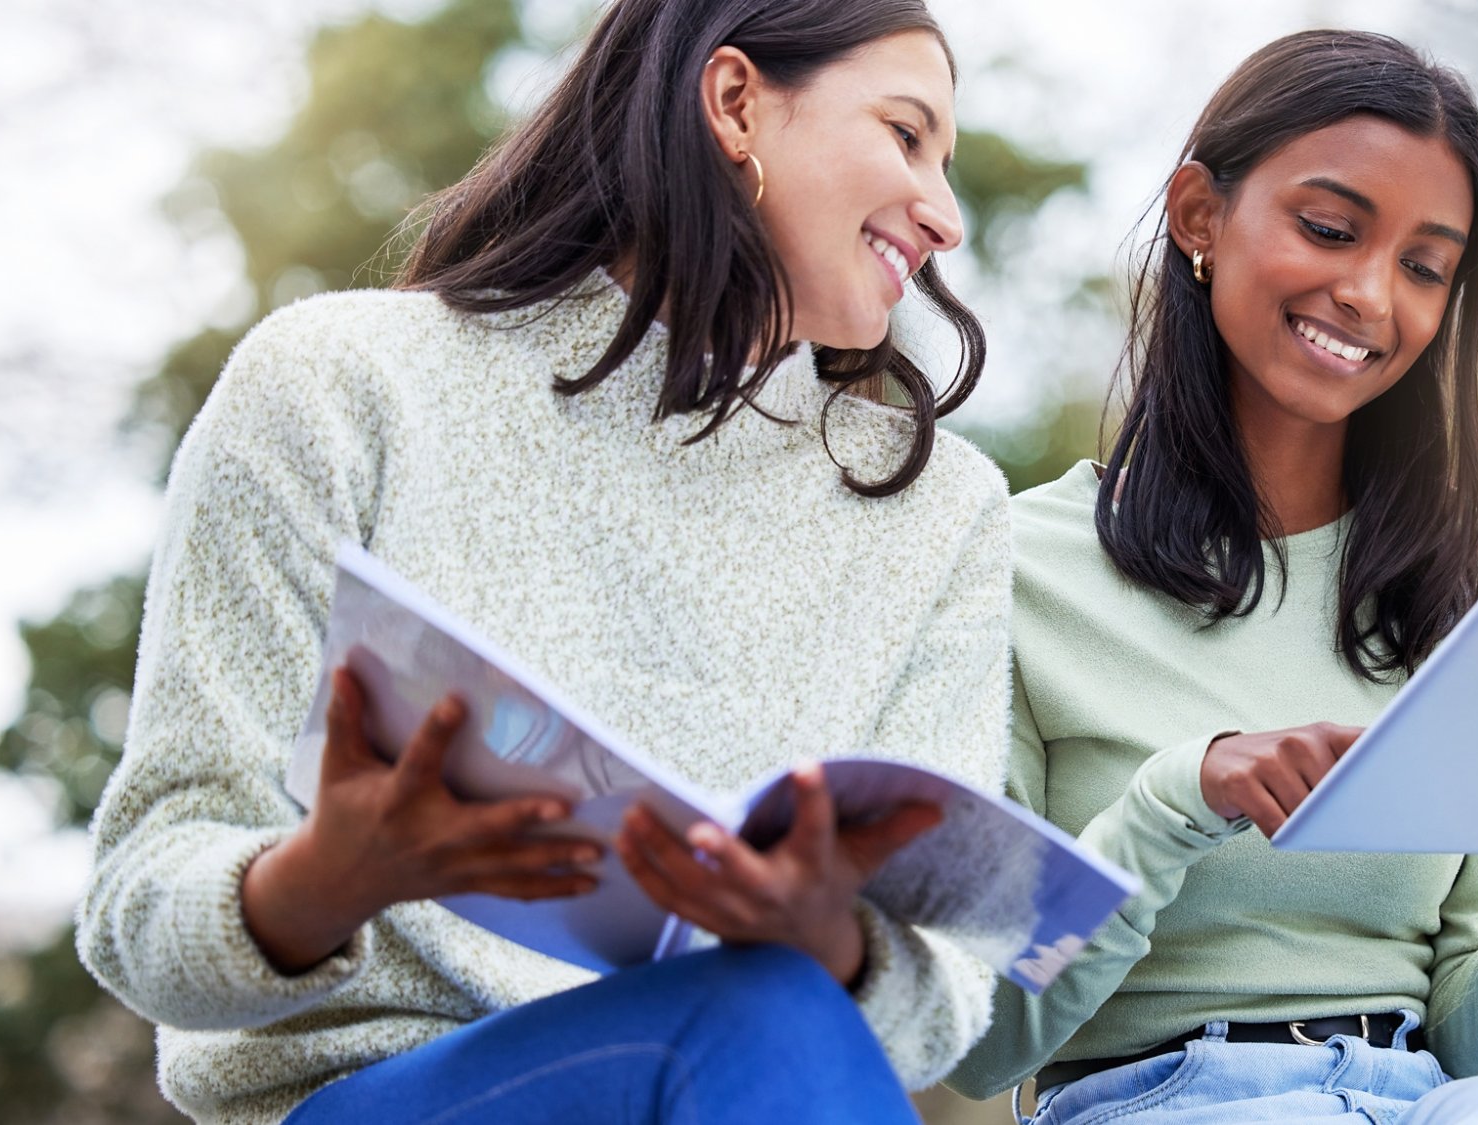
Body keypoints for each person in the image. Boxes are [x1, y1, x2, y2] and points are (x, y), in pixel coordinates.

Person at [75, 1, 1013, 1121]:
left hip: (753, 1077)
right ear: (733, 103)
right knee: (758, 1016)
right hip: (376, 1097)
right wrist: (329, 877)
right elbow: (139, 909)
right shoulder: (340, 385)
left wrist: (825, 937)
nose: (944, 217)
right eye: (906, 136)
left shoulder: (942, 511)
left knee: (769, 1008)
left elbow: (943, 999)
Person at [946, 30, 1478, 1124]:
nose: (1368, 296)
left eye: (1423, 267)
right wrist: (1176, 800)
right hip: (1156, 1099)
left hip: (1422, 1096)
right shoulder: (1016, 568)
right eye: (1330, 230)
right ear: (1198, 214)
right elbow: (983, 1038)